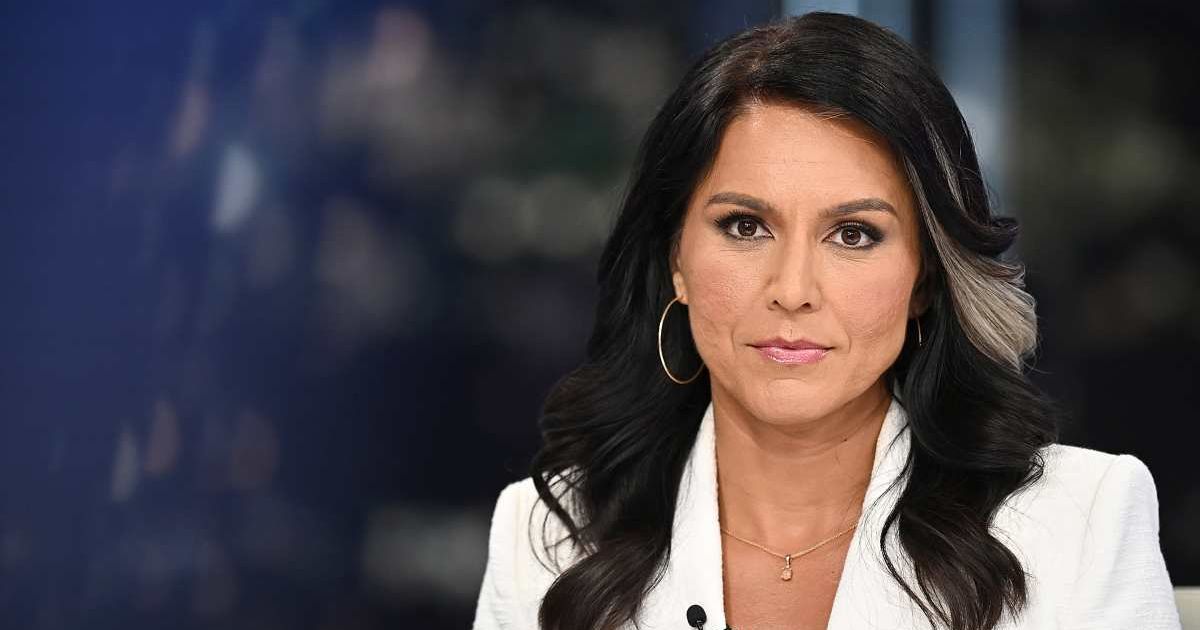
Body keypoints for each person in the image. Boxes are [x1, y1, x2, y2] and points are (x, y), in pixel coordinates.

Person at [471, 11, 1181, 630]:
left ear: (925, 279)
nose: (792, 290)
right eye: (745, 226)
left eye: (853, 235)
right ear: (676, 259)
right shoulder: (550, 536)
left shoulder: (1080, 520)